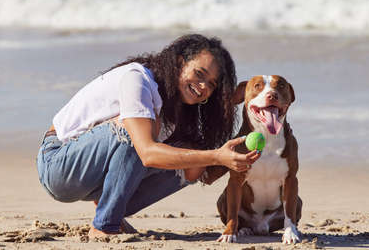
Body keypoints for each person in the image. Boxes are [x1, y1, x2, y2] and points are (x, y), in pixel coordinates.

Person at [36, 34, 259, 238]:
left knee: (194, 160)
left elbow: (205, 174)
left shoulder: (176, 103)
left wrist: (249, 128)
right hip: (59, 164)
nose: (202, 87)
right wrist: (216, 156)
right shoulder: (138, 79)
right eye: (199, 74)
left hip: (92, 175)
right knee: (136, 134)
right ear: (180, 62)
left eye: (211, 85)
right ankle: (105, 225)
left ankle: (111, 206)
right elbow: (147, 153)